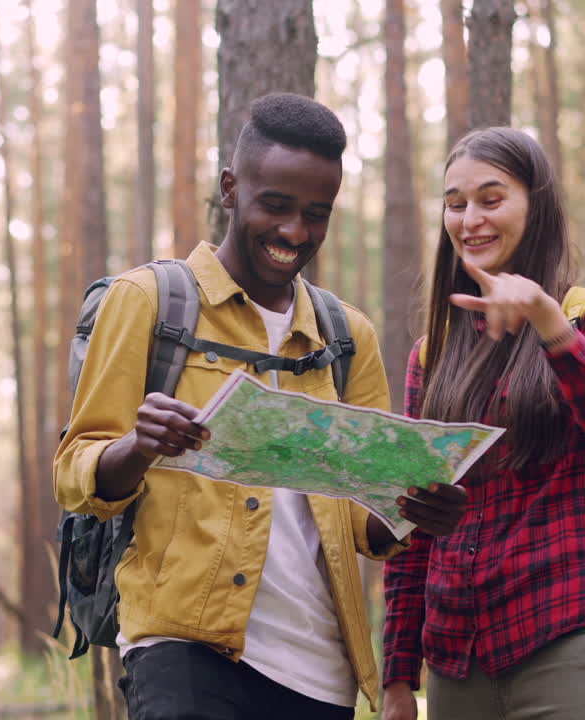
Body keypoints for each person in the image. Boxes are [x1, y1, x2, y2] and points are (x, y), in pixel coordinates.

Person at [54, 92, 468, 720]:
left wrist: (416, 511)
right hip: (182, 651)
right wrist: (139, 446)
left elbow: (365, 521)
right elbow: (75, 473)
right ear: (230, 188)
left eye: (316, 214)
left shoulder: (346, 336)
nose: (294, 232)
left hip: (320, 672)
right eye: (275, 205)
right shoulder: (148, 301)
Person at [380, 127, 585, 720]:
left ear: (537, 207)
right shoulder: (431, 357)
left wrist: (548, 322)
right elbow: (413, 527)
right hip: (458, 667)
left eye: (491, 198)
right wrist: (398, 678)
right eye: (455, 204)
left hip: (577, 637)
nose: (470, 220)